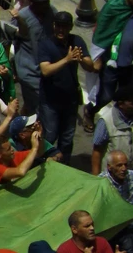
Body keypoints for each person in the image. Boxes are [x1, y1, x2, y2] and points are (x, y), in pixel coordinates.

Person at [37, 11, 96, 164]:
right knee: (50, 136)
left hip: (70, 100)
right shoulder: (45, 44)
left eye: (64, 27)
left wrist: (80, 59)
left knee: (67, 138)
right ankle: (42, 164)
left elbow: (90, 66)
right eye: (58, 26)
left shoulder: (77, 41)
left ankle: (64, 166)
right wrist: (67, 59)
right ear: (54, 26)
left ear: (70, 27)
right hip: (50, 101)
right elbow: (45, 70)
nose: (61, 30)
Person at [92, 87, 133, 176]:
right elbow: (97, 151)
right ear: (121, 104)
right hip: (112, 175)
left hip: (132, 174)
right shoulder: (106, 121)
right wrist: (96, 178)